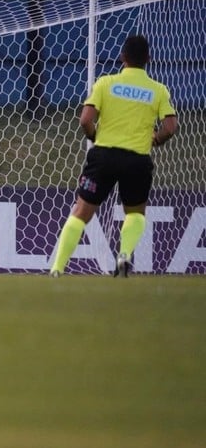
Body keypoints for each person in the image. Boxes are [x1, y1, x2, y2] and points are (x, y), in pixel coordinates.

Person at [50, 34, 177, 278]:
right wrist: (156, 139)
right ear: (148, 59)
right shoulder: (158, 90)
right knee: (135, 213)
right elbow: (170, 128)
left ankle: (57, 268)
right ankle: (124, 254)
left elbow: (85, 120)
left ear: (122, 57)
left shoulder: (105, 83)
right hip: (137, 160)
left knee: (81, 212)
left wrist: (94, 136)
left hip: (103, 157)